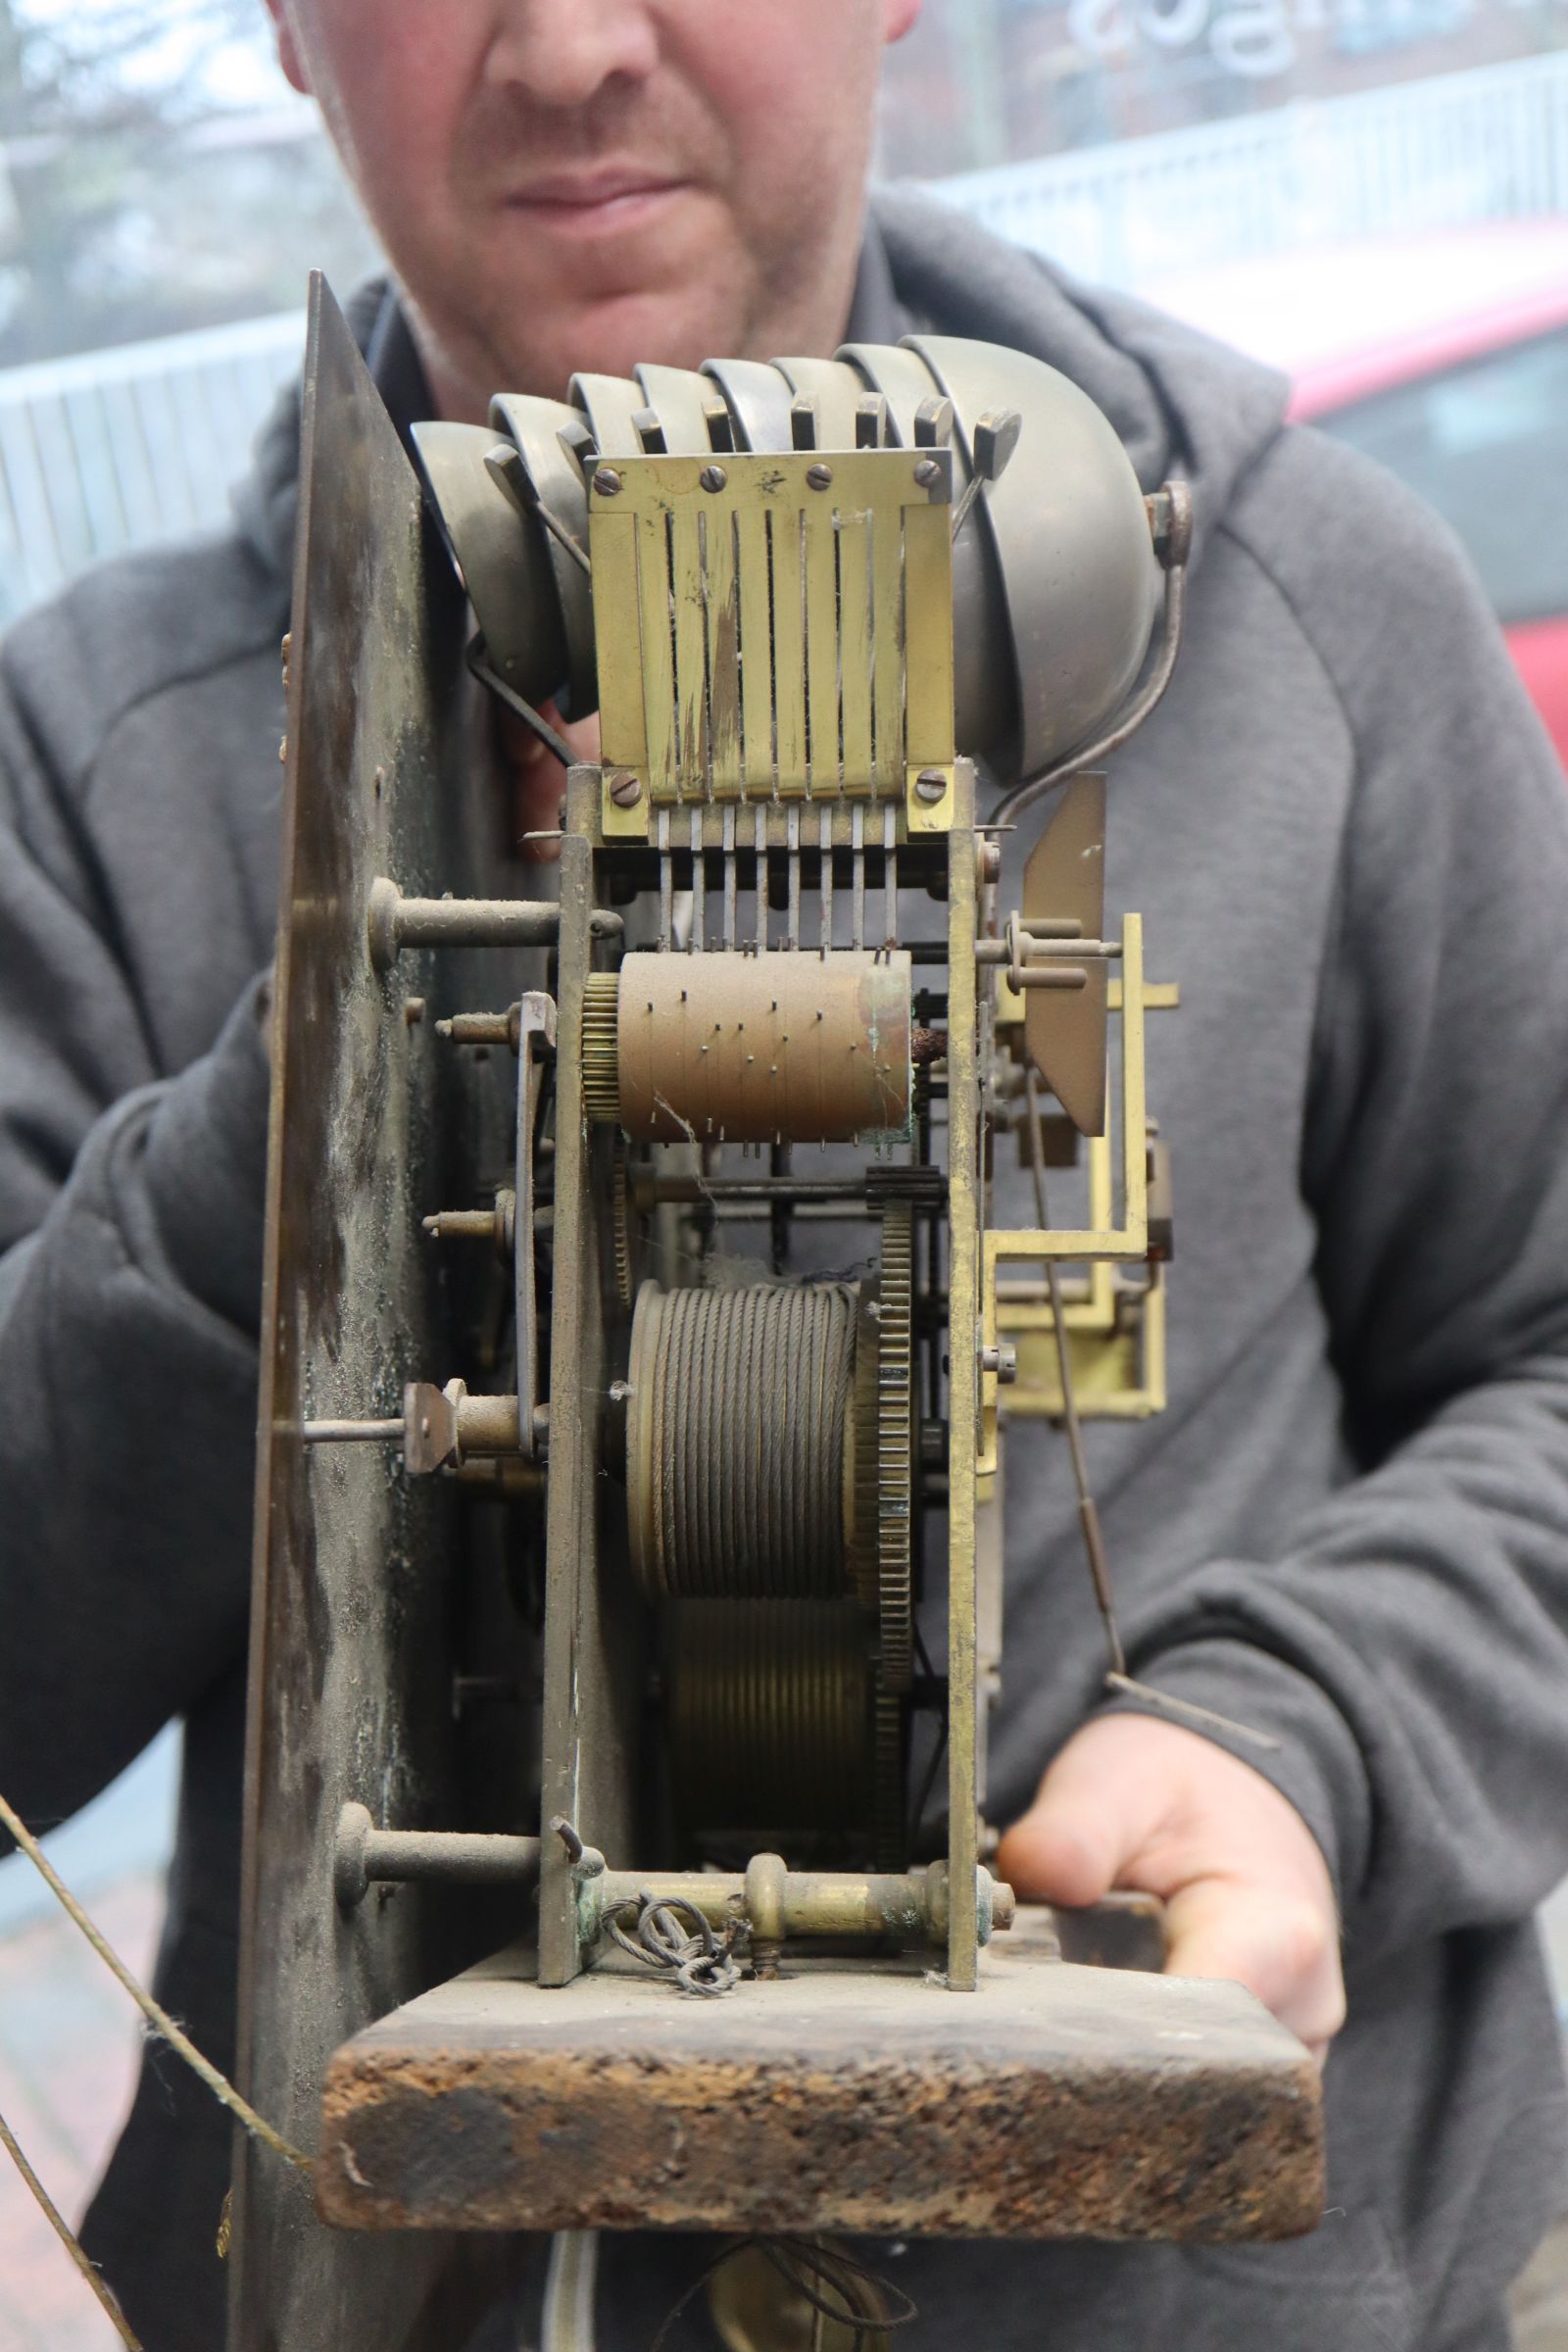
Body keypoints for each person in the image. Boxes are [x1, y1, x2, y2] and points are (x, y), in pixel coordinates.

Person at [2, 2, 1566, 2345]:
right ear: (287, 34)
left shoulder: (1301, 604)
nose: (567, 46)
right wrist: (332, 1074)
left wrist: (1297, 1728)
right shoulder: (97, 761)